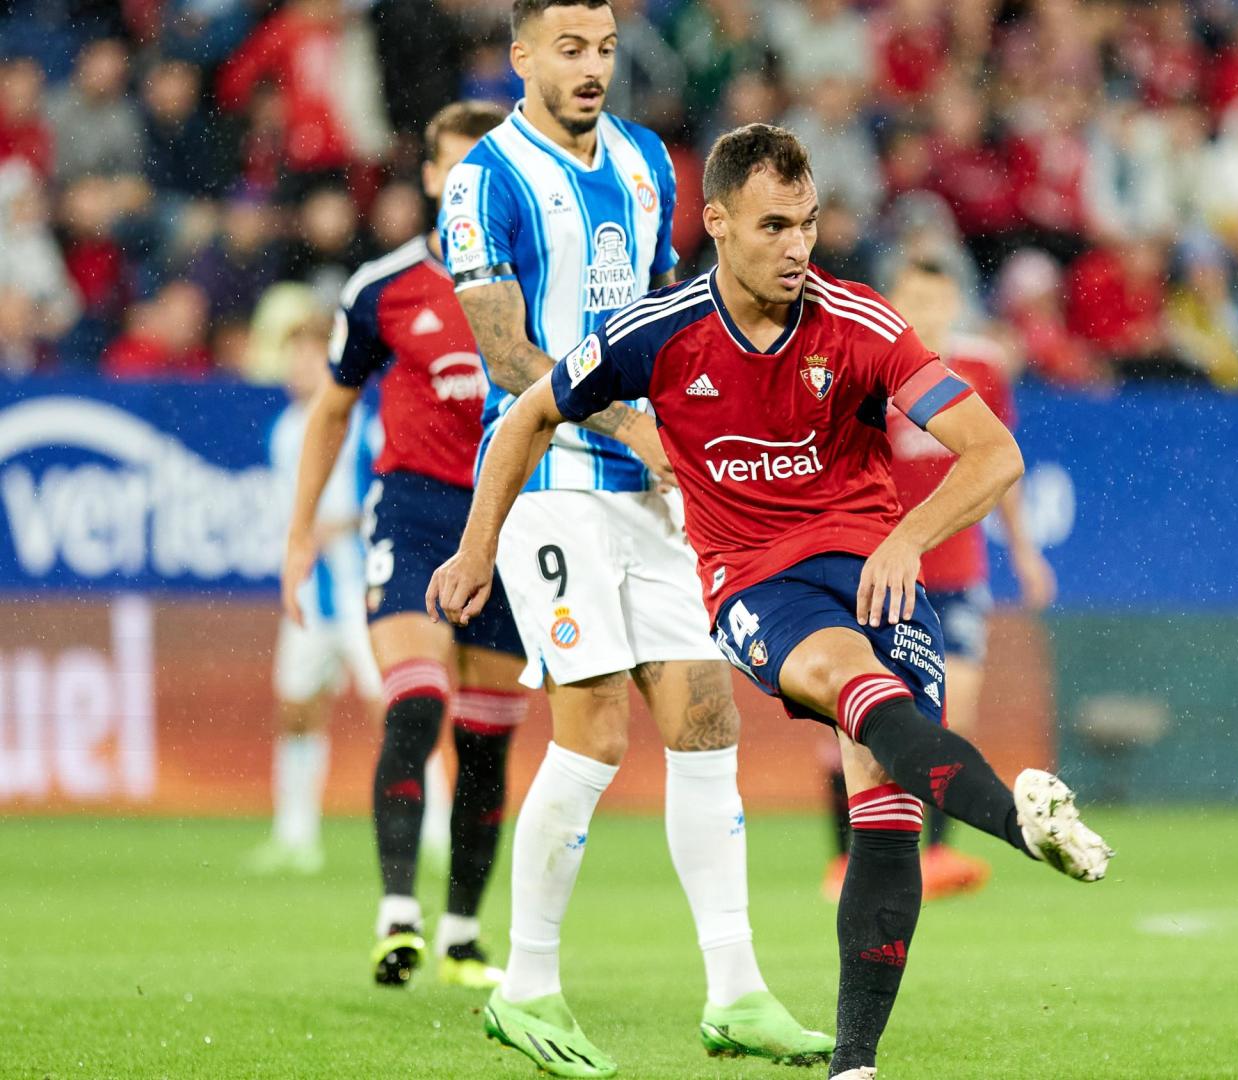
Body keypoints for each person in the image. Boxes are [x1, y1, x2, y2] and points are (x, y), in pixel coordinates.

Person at [429, 122, 1112, 1080]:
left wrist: (910, 537)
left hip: (873, 565)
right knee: (850, 686)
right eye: (774, 225)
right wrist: (473, 549)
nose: (798, 246)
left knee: (886, 806)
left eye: (810, 224)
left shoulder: (862, 325)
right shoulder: (655, 334)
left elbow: (993, 452)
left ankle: (856, 1064)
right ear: (715, 223)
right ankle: (1022, 824)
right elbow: (527, 419)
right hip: (757, 581)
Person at [434, 0, 829, 1070]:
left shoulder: (652, 160)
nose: (592, 66)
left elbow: (664, 313)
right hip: (552, 477)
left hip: (651, 487)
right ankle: (526, 988)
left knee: (707, 721)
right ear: (521, 58)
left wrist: (705, 427)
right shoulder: (487, 177)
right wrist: (630, 418)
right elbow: (509, 353)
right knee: (595, 733)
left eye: (604, 49)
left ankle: (738, 993)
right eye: (569, 49)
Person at [282, 101, 528, 990]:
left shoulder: (536, 283)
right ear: (430, 179)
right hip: (418, 511)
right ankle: (398, 915)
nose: (469, 191)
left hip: (512, 520)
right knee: (417, 704)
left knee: (489, 741)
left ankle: (463, 932)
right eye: (456, 174)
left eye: (485, 176)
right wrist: (302, 530)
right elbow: (334, 408)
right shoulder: (382, 287)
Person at [819, 259, 1056, 903]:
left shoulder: (980, 369)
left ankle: (940, 853)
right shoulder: (874, 362)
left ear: (955, 302)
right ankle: (841, 859)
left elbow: (999, 464)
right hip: (880, 568)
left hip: (959, 570)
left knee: (953, 705)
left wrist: (1025, 551)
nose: (927, 310)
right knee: (852, 710)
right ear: (897, 300)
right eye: (915, 297)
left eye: (938, 298)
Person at [252, 312, 382, 877]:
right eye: (292, 357)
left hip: (361, 592)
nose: (298, 367)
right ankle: (295, 836)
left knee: (397, 710)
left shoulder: (362, 424)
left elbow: (388, 497)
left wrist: (347, 525)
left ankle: (431, 830)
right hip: (309, 594)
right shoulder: (283, 431)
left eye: (309, 355)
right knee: (297, 711)